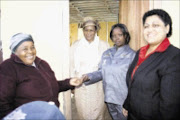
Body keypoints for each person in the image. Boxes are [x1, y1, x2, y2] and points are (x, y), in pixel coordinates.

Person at [0, 33, 82, 119]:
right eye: (25, 49)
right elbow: (2, 101)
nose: (30, 51)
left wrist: (68, 83)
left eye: (32, 47)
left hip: (51, 115)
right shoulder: (8, 68)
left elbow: (51, 85)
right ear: (15, 51)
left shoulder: (42, 63)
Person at [122, 9, 180, 120]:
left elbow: (170, 106)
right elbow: (134, 82)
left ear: (167, 28)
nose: (150, 30)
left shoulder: (174, 57)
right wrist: (127, 104)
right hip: (133, 114)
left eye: (156, 25)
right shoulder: (140, 51)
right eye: (146, 26)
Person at [82, 23, 135, 120]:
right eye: (114, 36)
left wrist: (129, 102)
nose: (116, 38)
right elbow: (102, 72)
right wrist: (88, 76)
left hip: (123, 100)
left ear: (125, 36)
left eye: (119, 35)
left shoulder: (132, 55)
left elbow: (135, 81)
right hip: (109, 98)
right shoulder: (107, 53)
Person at [70, 16, 109, 119]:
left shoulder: (104, 45)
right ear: (83, 31)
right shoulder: (76, 45)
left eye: (91, 30)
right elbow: (71, 65)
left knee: (98, 113)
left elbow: (107, 67)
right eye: (86, 30)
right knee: (83, 113)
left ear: (96, 30)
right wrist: (72, 85)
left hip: (98, 86)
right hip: (81, 85)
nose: (88, 33)